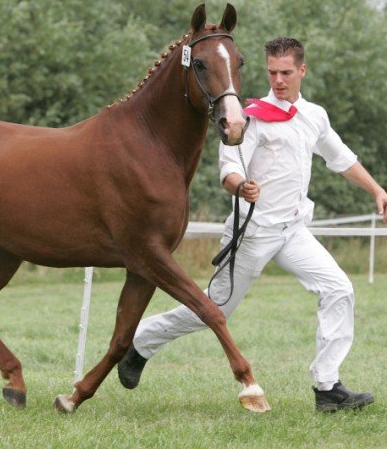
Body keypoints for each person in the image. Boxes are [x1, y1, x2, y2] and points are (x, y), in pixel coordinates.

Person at [118, 37, 387, 412]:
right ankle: (141, 343)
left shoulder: (315, 116)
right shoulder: (252, 116)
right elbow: (228, 167)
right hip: (252, 233)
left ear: (302, 71)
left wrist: (377, 190)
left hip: (292, 231)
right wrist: (241, 186)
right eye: (272, 72)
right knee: (215, 310)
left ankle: (328, 388)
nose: (278, 80)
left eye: (286, 73)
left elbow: (341, 158)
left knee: (339, 288)